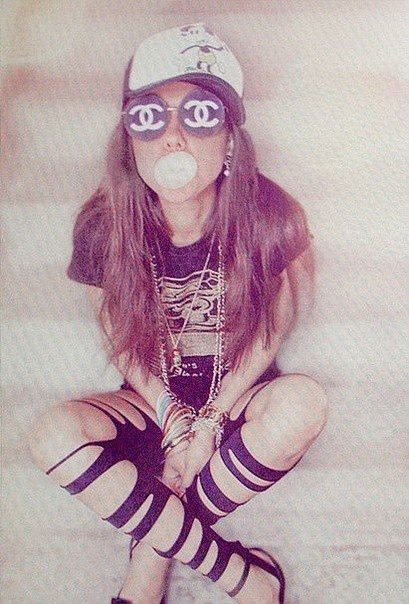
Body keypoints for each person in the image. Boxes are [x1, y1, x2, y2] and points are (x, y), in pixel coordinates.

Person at [29, 23, 329, 604]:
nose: (172, 138)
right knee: (50, 435)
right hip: (151, 402)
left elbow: (273, 329)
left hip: (236, 399)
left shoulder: (273, 216)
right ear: (129, 139)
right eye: (148, 117)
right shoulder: (102, 227)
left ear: (230, 140)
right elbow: (118, 338)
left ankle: (151, 553)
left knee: (304, 404)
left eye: (199, 116)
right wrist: (170, 418)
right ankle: (245, 578)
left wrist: (210, 421)